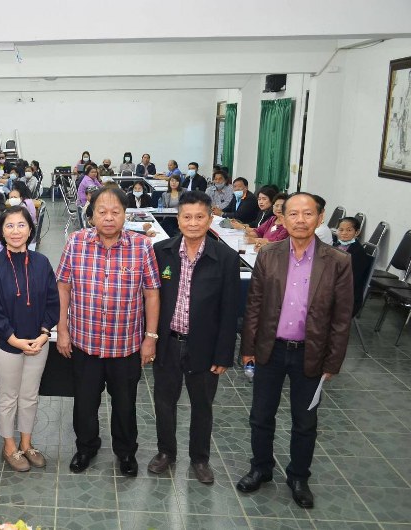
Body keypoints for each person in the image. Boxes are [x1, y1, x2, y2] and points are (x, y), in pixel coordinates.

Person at [236, 192, 354, 509]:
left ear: (320, 217)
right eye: (293, 214)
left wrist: (333, 361)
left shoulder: (338, 262)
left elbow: (342, 317)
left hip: (311, 352)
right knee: (261, 415)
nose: (300, 220)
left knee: (305, 421)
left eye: (307, 214)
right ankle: (261, 468)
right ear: (283, 218)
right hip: (270, 349)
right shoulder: (269, 254)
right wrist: (248, 347)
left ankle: (299, 476)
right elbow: (254, 305)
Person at [56, 186, 161, 477]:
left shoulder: (141, 246)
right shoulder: (76, 242)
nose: (109, 217)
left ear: (125, 215)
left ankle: (126, 452)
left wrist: (150, 338)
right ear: (91, 215)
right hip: (84, 342)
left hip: (125, 345)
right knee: (84, 403)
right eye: (102, 211)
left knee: (125, 405)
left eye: (116, 212)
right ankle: (86, 447)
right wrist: (62, 329)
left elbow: (152, 293)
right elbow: (62, 287)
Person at [148, 191, 239, 483]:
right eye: (187, 217)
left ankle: (200, 459)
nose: (193, 223)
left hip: (204, 347)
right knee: (164, 402)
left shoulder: (225, 257)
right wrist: (150, 339)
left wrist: (224, 354)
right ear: (178, 220)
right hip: (168, 343)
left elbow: (230, 311)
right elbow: (150, 299)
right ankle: (166, 452)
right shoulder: (161, 251)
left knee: (202, 405)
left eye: (200, 217)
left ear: (210, 219)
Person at [0, 206, 59, 472]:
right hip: (6, 344)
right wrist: (12, 339)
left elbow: (53, 301)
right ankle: (9, 447)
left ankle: (27, 443)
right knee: (8, 397)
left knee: (30, 396)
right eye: (9, 226)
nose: (15, 231)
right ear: (1, 231)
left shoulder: (41, 263)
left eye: (21, 225)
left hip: (38, 342)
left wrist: (45, 333)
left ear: (30, 229)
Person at [333, 217, 370, 315]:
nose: (344, 233)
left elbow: (351, 280)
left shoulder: (358, 253)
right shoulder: (336, 246)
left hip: (346, 298)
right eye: (341, 230)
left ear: (356, 232)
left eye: (349, 230)